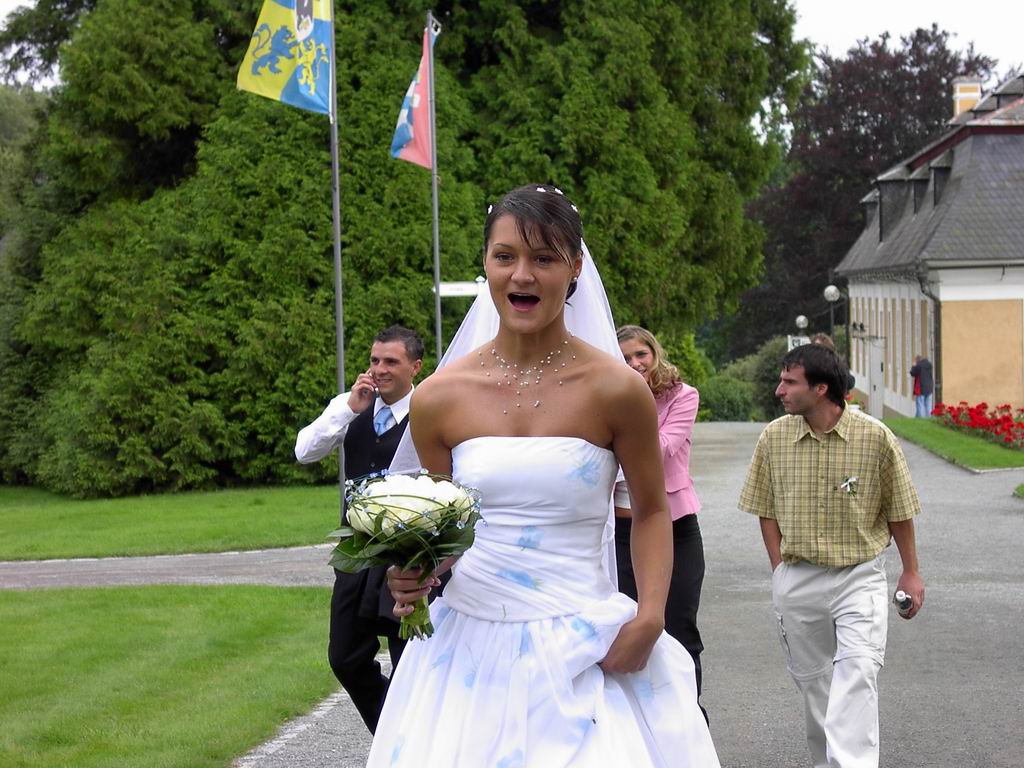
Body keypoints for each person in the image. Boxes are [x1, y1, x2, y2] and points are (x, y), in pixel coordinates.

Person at [367, 185, 719, 766]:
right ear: (486, 263)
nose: (522, 275)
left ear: (575, 267)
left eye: (544, 258)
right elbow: (446, 530)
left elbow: (652, 509)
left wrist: (651, 615)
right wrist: (416, 574)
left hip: (585, 643)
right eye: (505, 256)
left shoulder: (617, 390)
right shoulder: (439, 398)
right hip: (469, 650)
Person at [739, 343, 924, 768]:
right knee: (816, 685)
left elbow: (899, 510)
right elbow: (765, 508)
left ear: (821, 388)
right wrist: (779, 570)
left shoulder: (875, 437)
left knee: (858, 671)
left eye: (790, 382)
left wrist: (911, 572)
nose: (779, 390)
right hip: (797, 576)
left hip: (858, 576)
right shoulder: (774, 437)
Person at [294, 325, 424, 733]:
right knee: (345, 656)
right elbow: (304, 451)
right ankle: (393, 734)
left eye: (391, 362)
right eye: (374, 360)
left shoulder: (429, 410)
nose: (379, 369)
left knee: (409, 660)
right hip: (356, 547)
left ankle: (408, 748)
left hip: (406, 550)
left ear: (415, 367)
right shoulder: (350, 406)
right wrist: (350, 408)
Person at [614, 324, 708, 722]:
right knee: (624, 626)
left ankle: (688, 717)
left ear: (654, 354)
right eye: (625, 358)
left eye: (641, 355)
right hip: (617, 531)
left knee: (678, 625)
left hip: (673, 526)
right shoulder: (605, 397)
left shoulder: (682, 396)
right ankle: (636, 720)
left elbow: (665, 447)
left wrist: (615, 436)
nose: (635, 364)